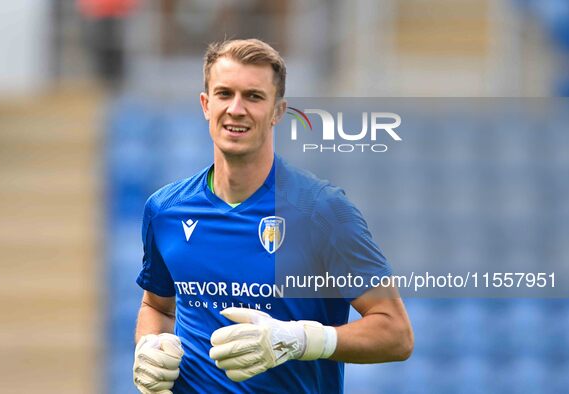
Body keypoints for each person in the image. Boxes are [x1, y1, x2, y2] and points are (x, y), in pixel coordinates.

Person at [133, 38, 413, 394]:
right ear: (206, 104)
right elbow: (156, 305)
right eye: (224, 94)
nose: (236, 109)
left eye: (253, 96)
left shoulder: (322, 211)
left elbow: (396, 333)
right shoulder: (165, 210)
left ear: (279, 111)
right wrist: (148, 346)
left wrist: (300, 339)